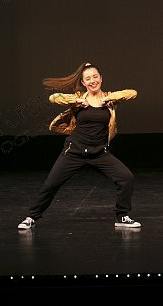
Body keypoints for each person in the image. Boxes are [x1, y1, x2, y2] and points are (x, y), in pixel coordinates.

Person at [17, 62, 139, 229]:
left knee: (126, 178)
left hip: (99, 153)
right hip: (74, 151)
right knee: (51, 184)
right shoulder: (78, 99)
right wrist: (76, 100)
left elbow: (132, 93)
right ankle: (31, 217)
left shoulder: (110, 99)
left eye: (95, 77)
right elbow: (54, 98)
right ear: (83, 82)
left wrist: (109, 98)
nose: (92, 81)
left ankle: (122, 216)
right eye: (88, 78)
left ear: (101, 79)